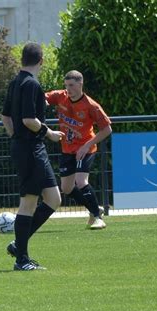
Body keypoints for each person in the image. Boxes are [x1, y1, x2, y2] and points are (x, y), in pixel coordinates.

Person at [1, 43, 65, 270]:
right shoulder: (31, 84)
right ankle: (22, 260)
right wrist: (51, 134)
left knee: (54, 199)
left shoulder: (15, 82)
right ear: (41, 61)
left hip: (29, 148)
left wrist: (15, 137)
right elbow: (29, 120)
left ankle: (19, 245)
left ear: (22, 60)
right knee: (28, 203)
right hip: (31, 149)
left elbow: (5, 117)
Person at [45, 70, 112, 229]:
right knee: (66, 188)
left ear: (80, 84)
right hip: (67, 149)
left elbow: (107, 129)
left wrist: (87, 145)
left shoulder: (91, 105)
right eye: (66, 85)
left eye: (72, 85)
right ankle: (94, 208)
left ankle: (97, 217)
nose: (68, 89)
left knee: (81, 182)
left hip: (85, 149)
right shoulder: (60, 96)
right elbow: (42, 97)